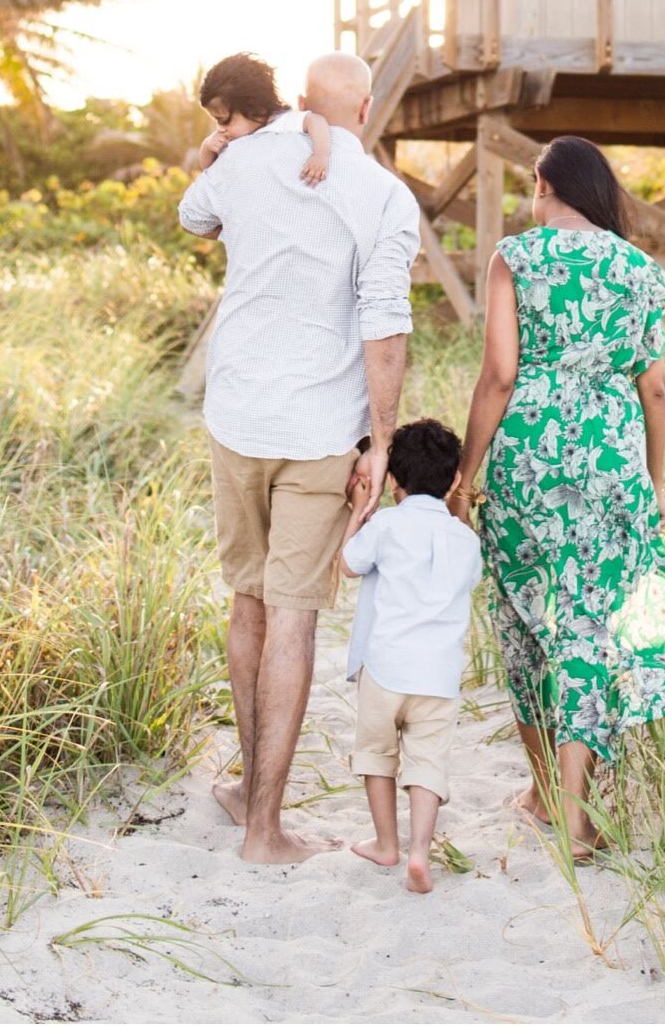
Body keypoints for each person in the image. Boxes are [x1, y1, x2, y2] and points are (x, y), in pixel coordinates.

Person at [449, 135, 665, 858]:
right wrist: (655, 479)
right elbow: (654, 385)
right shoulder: (636, 269)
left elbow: (498, 373)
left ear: (545, 184)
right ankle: (576, 809)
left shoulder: (516, 257)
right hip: (611, 456)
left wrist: (467, 471)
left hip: (529, 453)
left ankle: (545, 795)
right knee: (588, 625)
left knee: (524, 617)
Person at [179, 51, 420, 865]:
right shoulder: (384, 195)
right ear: (367, 106)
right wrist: (382, 443)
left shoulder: (241, 156)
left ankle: (250, 791)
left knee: (248, 600)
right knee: (292, 612)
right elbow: (384, 321)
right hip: (320, 425)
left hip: (237, 411)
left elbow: (193, 216)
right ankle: (264, 830)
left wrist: (214, 155)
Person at [341, 417, 482, 895]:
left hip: (384, 668)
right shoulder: (466, 539)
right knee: (427, 764)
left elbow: (349, 566)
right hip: (438, 676)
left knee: (378, 755)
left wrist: (359, 511)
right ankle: (420, 852)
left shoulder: (386, 524)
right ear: (456, 480)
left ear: (395, 480)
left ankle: (386, 843)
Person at [194, 50, 333, 185]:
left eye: (223, 120)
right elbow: (207, 168)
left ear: (256, 109)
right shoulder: (229, 138)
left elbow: (317, 121)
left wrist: (320, 155)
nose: (219, 128)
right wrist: (207, 147)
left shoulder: (285, 122)